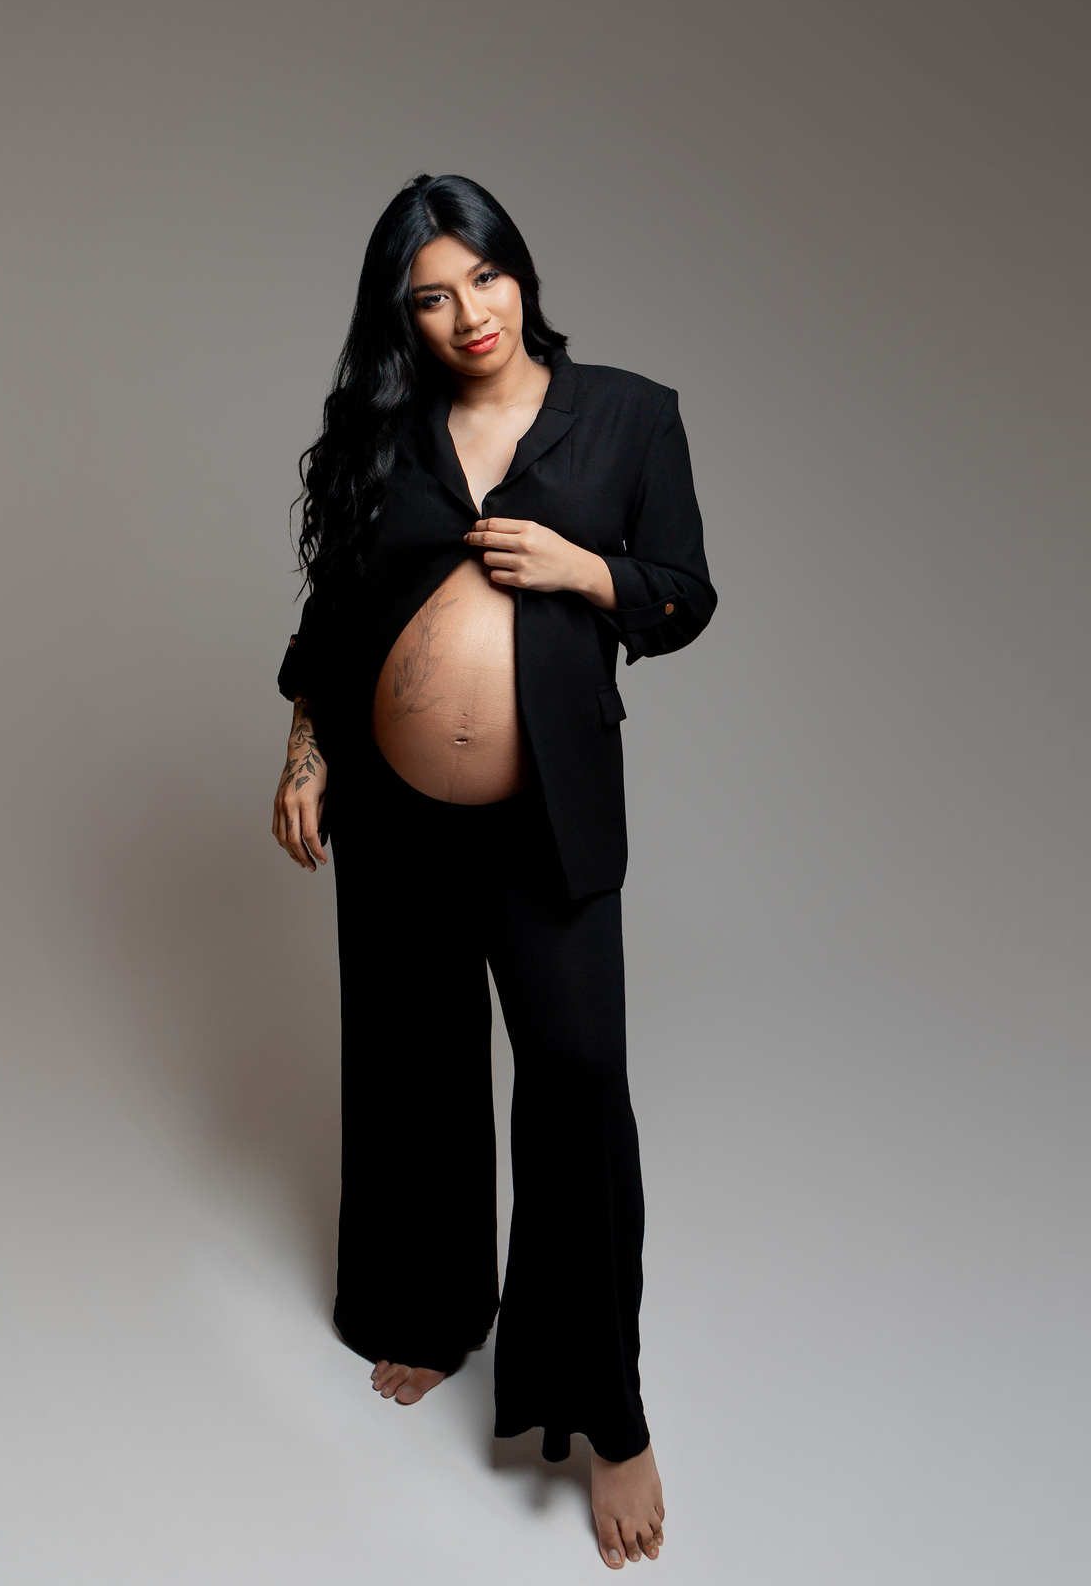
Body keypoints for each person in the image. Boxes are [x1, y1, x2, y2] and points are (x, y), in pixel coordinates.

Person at [271, 174, 716, 1570]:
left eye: (485, 278)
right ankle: (426, 1311)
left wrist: (587, 572)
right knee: (414, 1064)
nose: (468, 314)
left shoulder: (628, 416)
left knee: (577, 1087)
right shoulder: (386, 439)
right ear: (401, 318)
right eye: (431, 298)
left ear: (522, 272)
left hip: (548, 823)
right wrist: (306, 752)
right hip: (396, 820)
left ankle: (609, 1414)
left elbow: (684, 594)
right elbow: (335, 619)